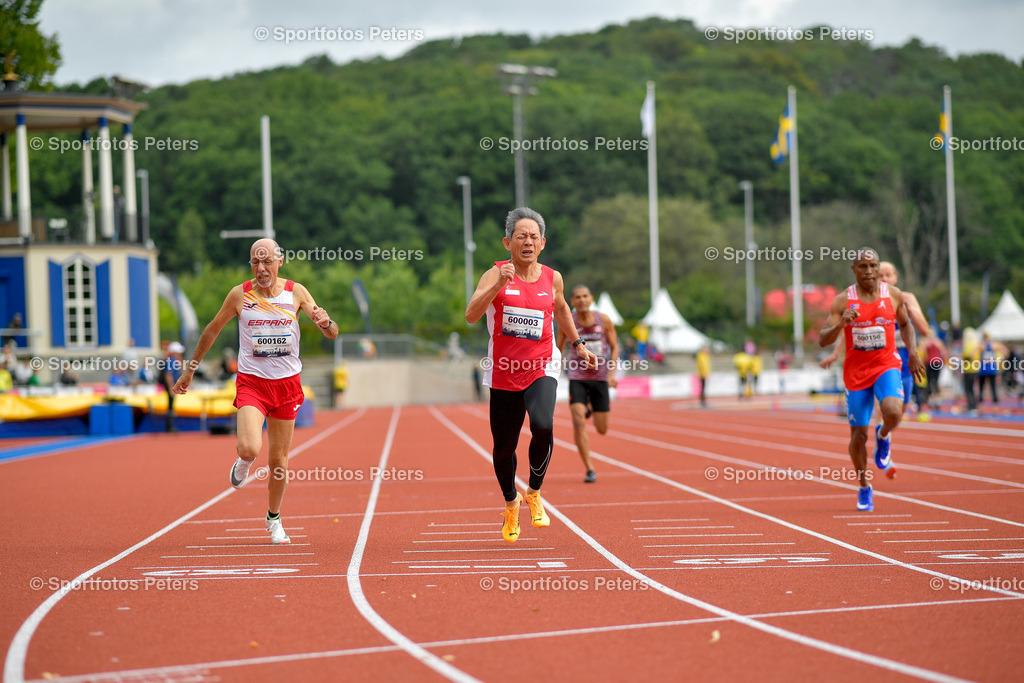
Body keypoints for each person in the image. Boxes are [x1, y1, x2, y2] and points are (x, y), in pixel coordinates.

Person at [173, 238, 338, 545]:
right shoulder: (240, 295)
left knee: (279, 461)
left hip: (287, 385)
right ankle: (245, 461)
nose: (261, 268)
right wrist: (190, 370)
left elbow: (331, 332)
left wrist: (326, 322)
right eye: (255, 262)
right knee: (250, 448)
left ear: (280, 262)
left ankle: (274, 518)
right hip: (252, 383)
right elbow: (212, 329)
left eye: (267, 262)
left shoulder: (296, 292)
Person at [466, 207, 596, 543]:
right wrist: (497, 284)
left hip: (542, 365)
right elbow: (471, 314)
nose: (528, 241)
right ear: (508, 242)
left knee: (542, 425)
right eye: (521, 236)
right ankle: (511, 503)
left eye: (534, 237)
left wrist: (578, 344)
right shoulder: (493, 274)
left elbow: (563, 309)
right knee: (504, 447)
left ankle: (534, 492)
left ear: (542, 243)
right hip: (504, 371)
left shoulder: (552, 278)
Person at [818, 248, 924, 512]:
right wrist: (841, 323)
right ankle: (864, 486)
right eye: (862, 266)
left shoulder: (894, 295)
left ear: (879, 268)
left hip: (886, 365)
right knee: (857, 436)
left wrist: (913, 352)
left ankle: (884, 434)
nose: (868, 271)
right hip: (856, 373)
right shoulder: (844, 300)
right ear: (853, 270)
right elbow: (822, 339)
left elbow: (906, 324)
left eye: (873, 266)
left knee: (893, 411)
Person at [555, 284, 619, 484]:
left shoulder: (604, 320)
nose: (581, 300)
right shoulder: (567, 321)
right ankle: (590, 468)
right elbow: (559, 348)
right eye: (577, 297)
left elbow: (615, 347)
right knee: (577, 420)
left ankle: (590, 408)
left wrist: (611, 374)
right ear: (572, 301)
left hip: (600, 378)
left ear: (591, 299)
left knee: (602, 429)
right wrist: (556, 369)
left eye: (585, 296)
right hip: (578, 377)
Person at [160, 342, 185, 432]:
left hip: (173, 385)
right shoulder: (171, 361)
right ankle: (169, 426)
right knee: (170, 406)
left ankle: (170, 426)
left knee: (171, 405)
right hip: (171, 386)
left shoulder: (174, 360)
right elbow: (168, 375)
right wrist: (171, 388)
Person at [975, 331, 1003, 405]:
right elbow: (1005, 351)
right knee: (993, 389)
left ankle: (980, 408)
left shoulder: (981, 345)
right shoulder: (994, 345)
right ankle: (995, 409)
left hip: (983, 370)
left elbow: (972, 354)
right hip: (992, 370)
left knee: (981, 389)